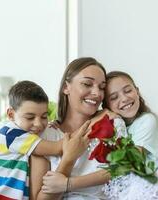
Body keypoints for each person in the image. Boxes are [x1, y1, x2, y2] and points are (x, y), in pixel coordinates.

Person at [39, 71, 158, 199]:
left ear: (137, 91)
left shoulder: (147, 121)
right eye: (114, 97)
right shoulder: (119, 128)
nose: (124, 98)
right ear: (106, 106)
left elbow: (124, 166)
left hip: (157, 193)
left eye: (128, 90)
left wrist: (68, 184)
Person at [0, 80, 90, 200]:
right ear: (10, 114)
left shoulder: (29, 138)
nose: (38, 124)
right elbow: (58, 147)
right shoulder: (11, 134)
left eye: (44, 116)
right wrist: (94, 121)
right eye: (30, 117)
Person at [29, 57, 110, 200]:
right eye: (87, 84)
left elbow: (124, 172)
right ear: (66, 87)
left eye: (102, 87)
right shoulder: (45, 136)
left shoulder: (113, 124)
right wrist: (69, 158)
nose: (97, 93)